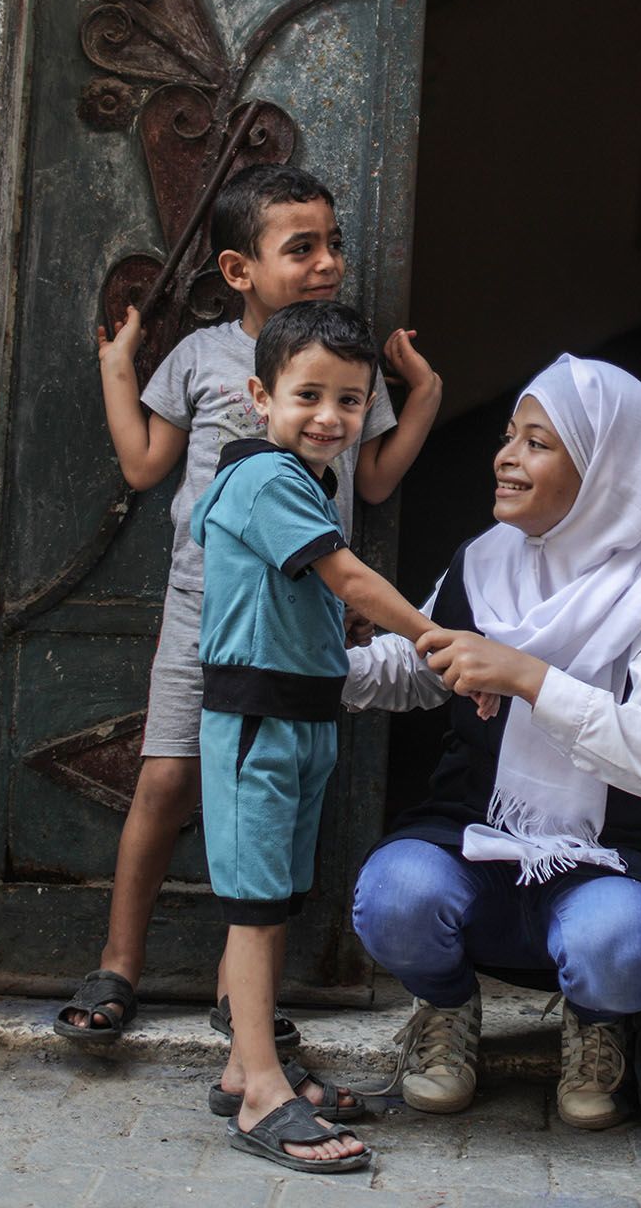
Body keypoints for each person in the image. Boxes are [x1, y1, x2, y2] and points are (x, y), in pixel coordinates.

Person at [61, 164, 440, 1049]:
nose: (326, 263)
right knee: (165, 777)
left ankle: (247, 1001)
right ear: (238, 270)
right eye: (300, 248)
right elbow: (145, 467)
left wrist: (420, 397)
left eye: (333, 245)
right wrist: (119, 369)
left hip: (305, 614)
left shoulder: (350, 361)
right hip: (207, 603)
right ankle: (120, 963)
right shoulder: (201, 359)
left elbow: (374, 481)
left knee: (275, 799)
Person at [342, 355, 641, 1130]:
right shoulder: (483, 562)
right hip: (473, 837)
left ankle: (598, 1021)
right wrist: (312, 669)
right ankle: (447, 1010)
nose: (505, 458)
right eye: (507, 437)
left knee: (618, 946)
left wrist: (532, 678)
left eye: (536, 443)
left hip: (608, 855)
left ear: (605, 472)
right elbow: (420, 672)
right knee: (393, 897)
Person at [193, 301, 439, 1172]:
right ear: (262, 398)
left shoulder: (305, 481)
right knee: (255, 910)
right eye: (308, 396)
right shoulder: (264, 479)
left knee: (272, 902)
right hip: (258, 722)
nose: (330, 417)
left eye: (350, 400)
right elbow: (344, 576)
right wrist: (431, 636)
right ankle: (262, 1091)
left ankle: (241, 1066)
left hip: (301, 716)